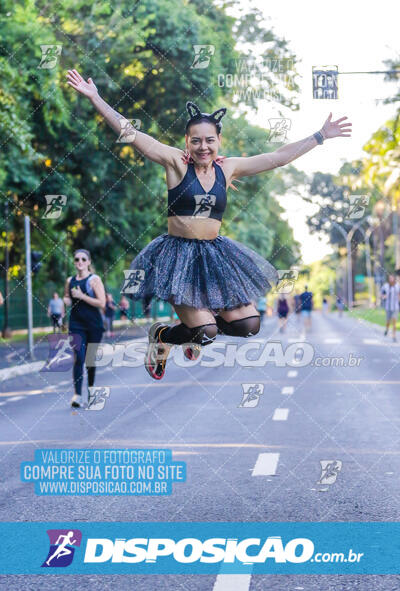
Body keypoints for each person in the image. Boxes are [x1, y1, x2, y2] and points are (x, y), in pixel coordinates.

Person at [66, 68, 351, 379]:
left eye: (210, 141)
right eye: (196, 141)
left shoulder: (228, 169)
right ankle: (162, 337)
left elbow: (278, 157)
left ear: (219, 141)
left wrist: (320, 136)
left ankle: (191, 328)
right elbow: (131, 133)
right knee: (206, 331)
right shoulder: (174, 161)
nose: (203, 147)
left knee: (249, 325)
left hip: (216, 257)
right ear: (187, 141)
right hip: (178, 257)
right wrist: (96, 98)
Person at [63, 249, 106, 408]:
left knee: (90, 360)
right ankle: (77, 395)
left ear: (88, 262)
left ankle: (92, 390)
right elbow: (67, 296)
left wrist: (82, 296)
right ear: (74, 262)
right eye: (77, 259)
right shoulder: (70, 280)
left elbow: (101, 303)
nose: (79, 262)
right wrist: (66, 299)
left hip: (93, 325)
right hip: (76, 324)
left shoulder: (94, 280)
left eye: (83, 259)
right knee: (78, 357)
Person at [381, 274, 400, 342]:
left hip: (395, 307)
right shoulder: (385, 286)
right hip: (388, 307)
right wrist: (384, 296)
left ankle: (394, 336)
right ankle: (387, 329)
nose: (391, 279)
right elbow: (382, 294)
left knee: (394, 321)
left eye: (392, 278)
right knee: (388, 321)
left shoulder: (397, 286)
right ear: (388, 279)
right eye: (390, 278)